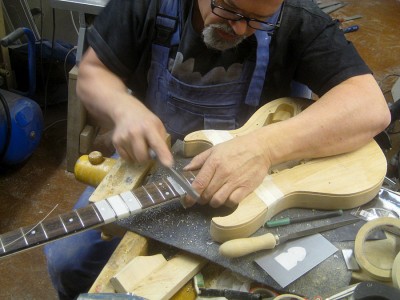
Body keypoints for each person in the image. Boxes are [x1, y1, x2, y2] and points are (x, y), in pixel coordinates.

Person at [45, 0, 391, 298]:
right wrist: (121, 108)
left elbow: (369, 106)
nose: (240, 27)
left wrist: (264, 147)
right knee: (67, 260)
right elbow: (92, 73)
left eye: (258, 20)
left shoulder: (298, 16)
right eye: (228, 9)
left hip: (259, 183)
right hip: (153, 162)